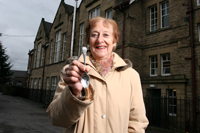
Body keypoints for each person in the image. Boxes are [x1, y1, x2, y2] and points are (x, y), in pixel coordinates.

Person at [46, 17, 149, 133]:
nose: (100, 40)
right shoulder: (71, 72)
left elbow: (137, 123)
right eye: (94, 35)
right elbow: (58, 120)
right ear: (88, 40)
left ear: (114, 41)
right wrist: (74, 93)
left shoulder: (131, 75)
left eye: (106, 35)